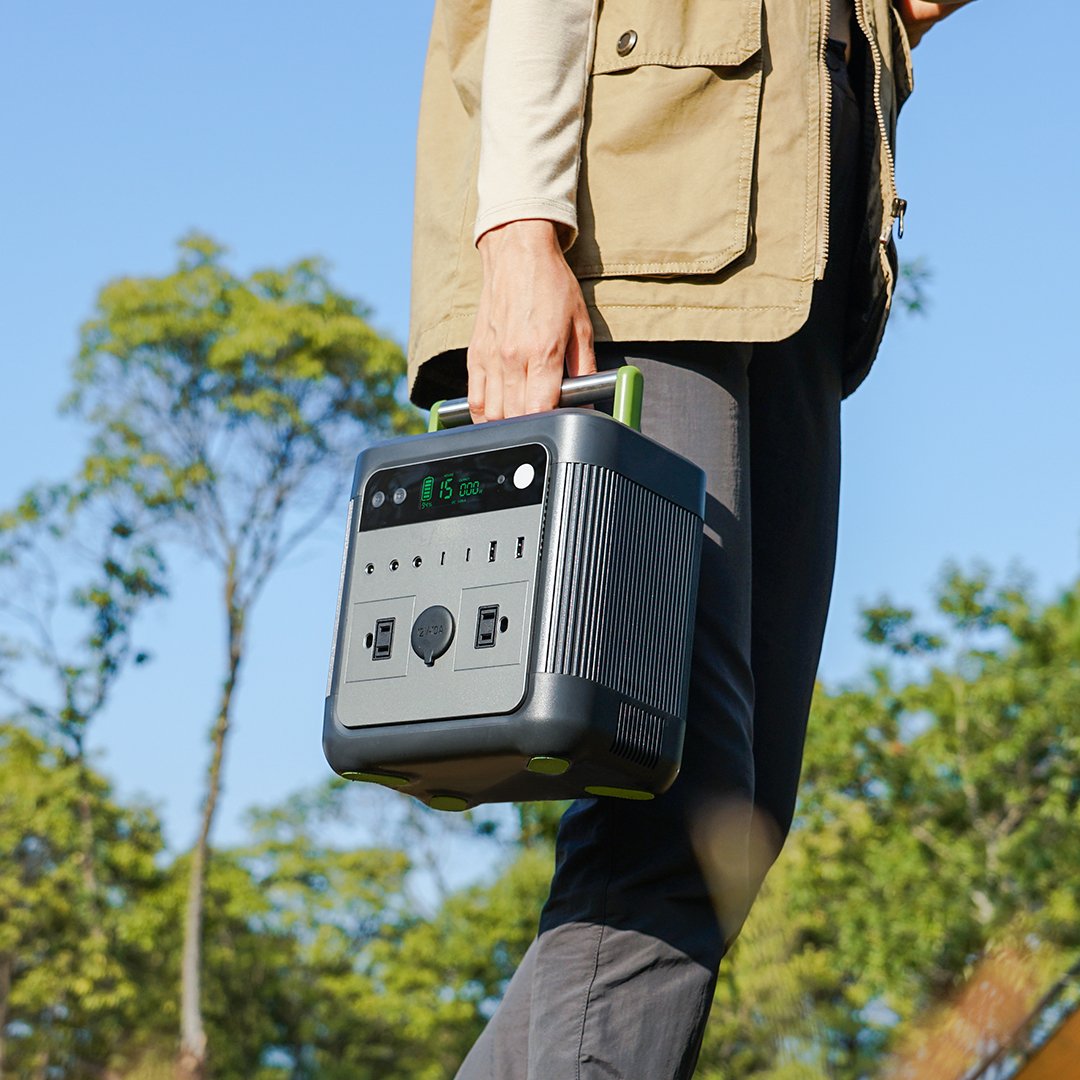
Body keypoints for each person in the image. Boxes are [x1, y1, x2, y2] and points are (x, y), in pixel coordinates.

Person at [406, 1, 974, 1076]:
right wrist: (525, 236)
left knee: (733, 822)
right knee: (670, 784)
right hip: (635, 236)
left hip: (798, 260)